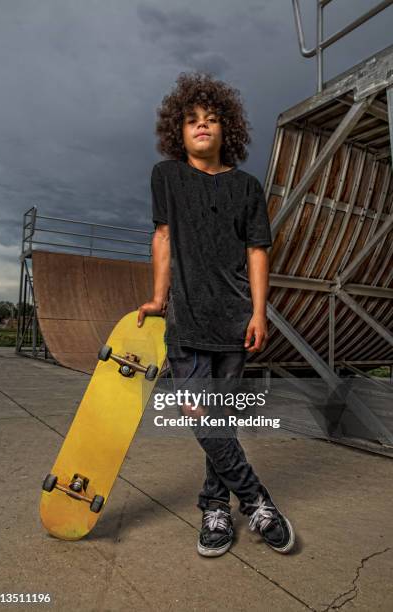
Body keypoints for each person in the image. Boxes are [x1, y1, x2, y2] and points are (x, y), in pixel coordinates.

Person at [138, 72, 295, 557]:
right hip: (186, 321)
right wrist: (158, 299)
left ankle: (214, 507)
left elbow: (257, 253)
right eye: (192, 121)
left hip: (234, 321)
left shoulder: (247, 188)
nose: (202, 126)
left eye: (211, 119)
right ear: (178, 131)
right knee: (199, 412)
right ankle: (255, 499)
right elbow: (163, 237)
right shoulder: (166, 175)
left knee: (219, 420)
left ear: (228, 130)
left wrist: (258, 313)